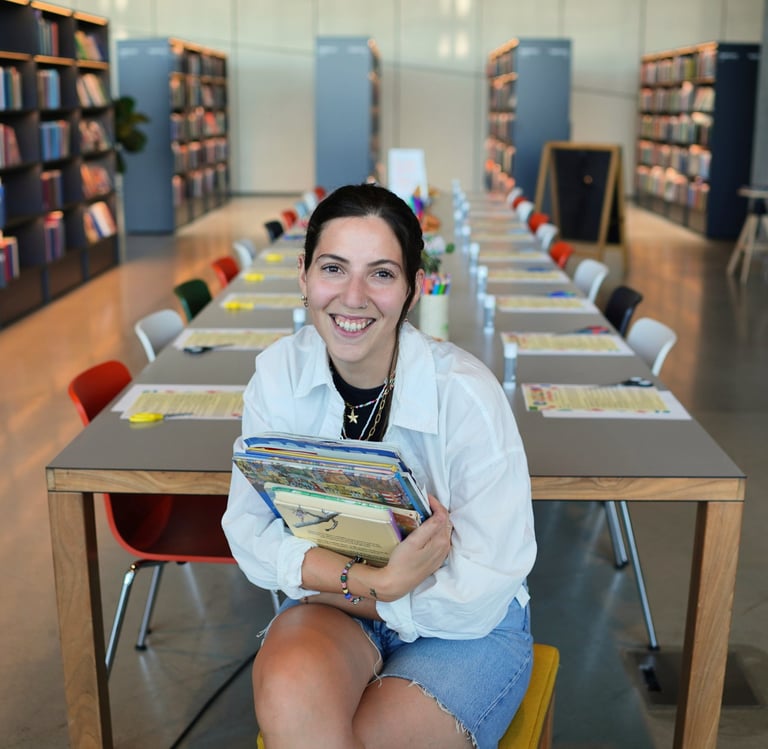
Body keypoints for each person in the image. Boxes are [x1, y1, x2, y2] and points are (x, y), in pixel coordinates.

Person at [222, 183, 536, 749]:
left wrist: (342, 584)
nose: (353, 295)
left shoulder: (465, 394)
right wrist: (375, 583)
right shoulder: (277, 376)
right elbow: (248, 535)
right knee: (293, 698)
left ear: (414, 288)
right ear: (304, 275)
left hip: (464, 628)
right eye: (334, 268)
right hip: (343, 605)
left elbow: (483, 584)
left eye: (382, 274)